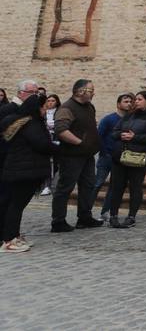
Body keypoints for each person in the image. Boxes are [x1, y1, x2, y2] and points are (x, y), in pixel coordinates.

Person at [1, 94, 59, 252]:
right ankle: (9, 239)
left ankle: (13, 235)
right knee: (16, 205)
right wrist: (60, 148)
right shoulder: (32, 124)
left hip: (20, 170)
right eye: (43, 107)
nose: (45, 110)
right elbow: (42, 144)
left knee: (15, 204)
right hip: (25, 171)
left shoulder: (23, 122)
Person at [104, 91, 146, 229]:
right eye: (136, 99)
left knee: (135, 187)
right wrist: (121, 135)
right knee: (116, 187)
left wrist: (134, 137)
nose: (136, 102)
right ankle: (113, 216)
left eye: (140, 99)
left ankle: (131, 216)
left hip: (139, 158)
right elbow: (114, 132)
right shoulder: (129, 115)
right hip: (121, 157)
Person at [51, 79, 101, 232]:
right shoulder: (67, 108)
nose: (93, 93)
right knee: (65, 188)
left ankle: (84, 217)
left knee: (88, 186)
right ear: (80, 91)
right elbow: (61, 130)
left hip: (87, 155)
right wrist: (80, 143)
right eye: (91, 90)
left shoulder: (89, 107)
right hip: (71, 156)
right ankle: (58, 221)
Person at [93, 93, 134, 221]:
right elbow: (99, 136)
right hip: (107, 156)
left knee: (114, 187)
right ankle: (86, 209)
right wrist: (104, 152)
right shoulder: (109, 119)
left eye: (130, 102)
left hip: (121, 158)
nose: (129, 104)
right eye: (125, 101)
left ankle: (105, 211)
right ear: (118, 104)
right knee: (98, 183)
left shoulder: (131, 120)